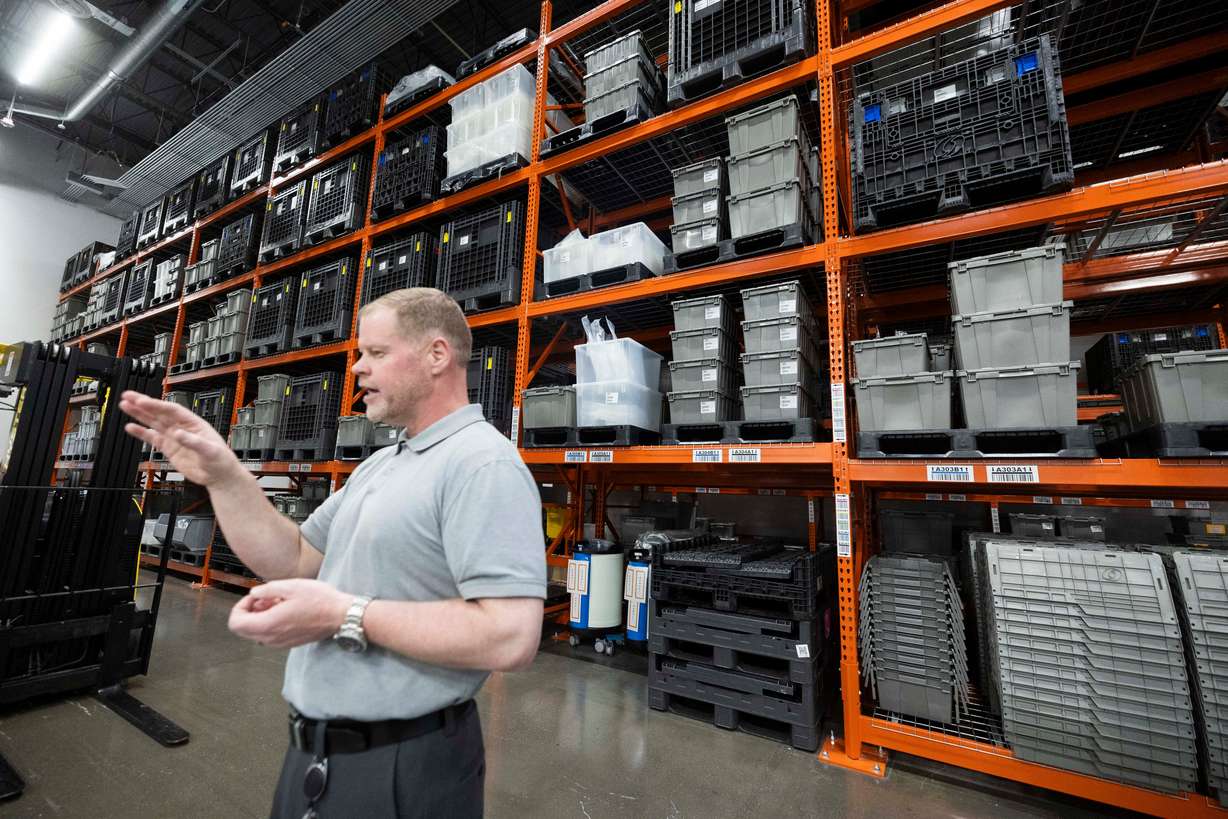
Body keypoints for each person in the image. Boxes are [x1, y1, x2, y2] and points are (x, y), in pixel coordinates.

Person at [120, 288, 546, 817]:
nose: (358, 370)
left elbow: (511, 635)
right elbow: (296, 558)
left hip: (402, 763)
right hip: (317, 751)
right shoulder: (382, 465)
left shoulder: (482, 464)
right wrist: (225, 475)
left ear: (437, 355)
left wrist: (344, 614)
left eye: (376, 353)